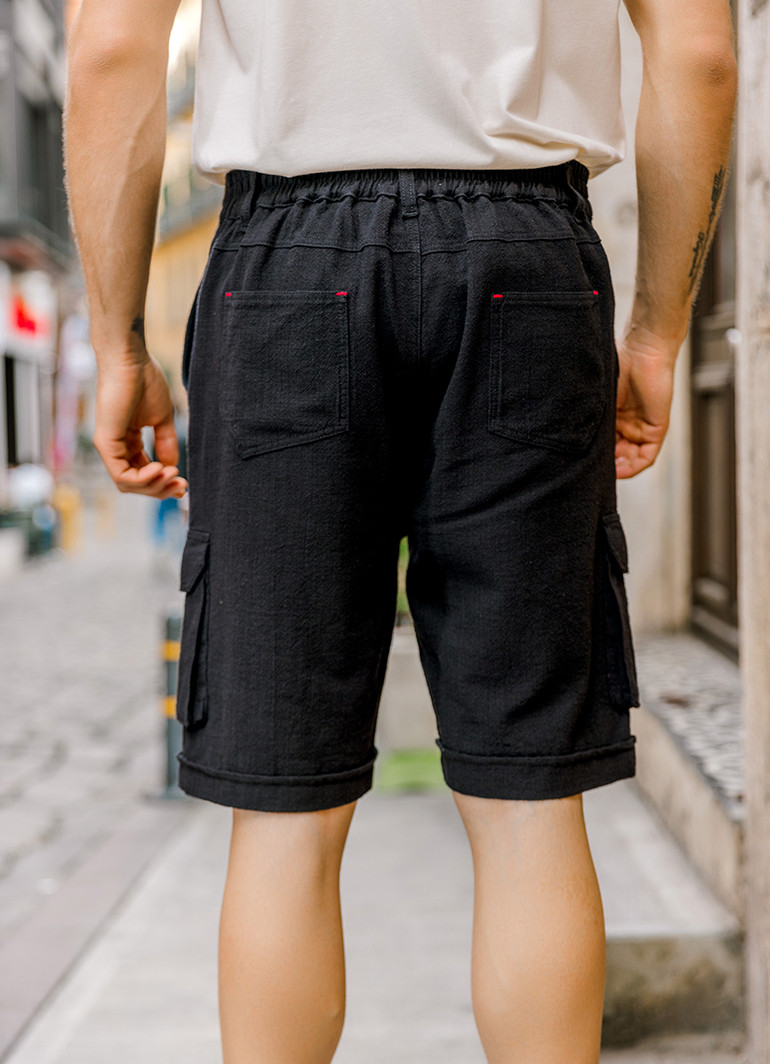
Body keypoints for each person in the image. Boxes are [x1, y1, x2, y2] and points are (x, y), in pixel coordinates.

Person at [63, 0, 737, 1060]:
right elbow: (698, 52)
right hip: (528, 254)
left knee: (283, 804)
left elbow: (111, 46)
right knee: (528, 793)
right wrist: (656, 332)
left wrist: (117, 343)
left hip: (285, 262)